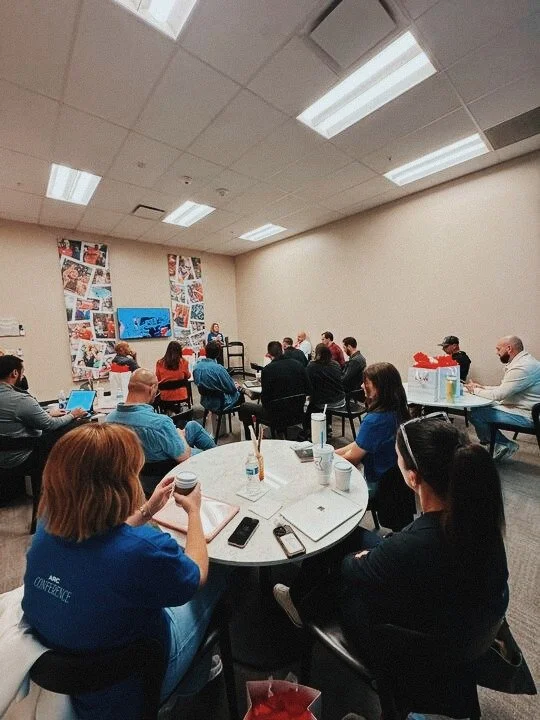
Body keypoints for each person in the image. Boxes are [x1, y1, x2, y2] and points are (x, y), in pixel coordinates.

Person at [274, 418, 509, 693]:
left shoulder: (412, 546)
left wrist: (365, 557)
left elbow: (351, 568)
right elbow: (409, 554)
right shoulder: (479, 523)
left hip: (402, 642)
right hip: (452, 626)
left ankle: (302, 605)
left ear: (413, 477)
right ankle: (303, 595)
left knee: (334, 553)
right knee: (352, 536)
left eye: (398, 457)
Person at [22, 423, 228, 719]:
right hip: (140, 678)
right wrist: (194, 511)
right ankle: (196, 676)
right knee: (219, 571)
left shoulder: (46, 527)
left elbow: (98, 543)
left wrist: (146, 511)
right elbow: (197, 573)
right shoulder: (143, 549)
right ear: (119, 484)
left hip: (72, 676)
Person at [105, 369, 215, 467]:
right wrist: (180, 435)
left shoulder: (108, 421)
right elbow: (184, 456)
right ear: (152, 389)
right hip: (168, 467)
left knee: (192, 426)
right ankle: (219, 458)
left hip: (139, 468)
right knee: (207, 455)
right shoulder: (160, 423)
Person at [0, 355, 87, 471]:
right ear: (15, 373)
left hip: (4, 454)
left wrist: (47, 414)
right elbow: (50, 424)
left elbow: (13, 417)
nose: (23, 377)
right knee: (78, 425)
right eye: (22, 373)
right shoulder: (20, 399)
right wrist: (73, 415)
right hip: (23, 455)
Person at [335, 363, 410, 497]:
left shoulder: (374, 421)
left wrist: (329, 460)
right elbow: (360, 444)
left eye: (366, 383)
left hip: (377, 483)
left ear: (379, 388)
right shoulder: (398, 411)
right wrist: (333, 453)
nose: (362, 386)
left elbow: (353, 458)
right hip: (396, 478)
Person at [466, 335, 540, 461]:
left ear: (509, 348)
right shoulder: (525, 362)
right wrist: (483, 388)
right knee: (480, 409)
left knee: (476, 414)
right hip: (525, 408)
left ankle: (502, 444)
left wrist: (474, 390)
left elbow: (498, 395)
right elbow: (504, 388)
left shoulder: (522, 367)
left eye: (498, 349)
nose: (497, 353)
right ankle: (493, 443)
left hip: (530, 416)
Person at [238, 341, 310, 438]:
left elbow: (265, 400)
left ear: (269, 355)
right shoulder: (299, 365)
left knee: (244, 407)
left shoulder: (267, 370)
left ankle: (251, 439)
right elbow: (308, 389)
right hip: (297, 413)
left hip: (275, 415)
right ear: (282, 351)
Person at [305, 343, 344, 438]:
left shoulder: (312, 366)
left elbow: (307, 384)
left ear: (317, 354)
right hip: (341, 400)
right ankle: (328, 426)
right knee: (326, 395)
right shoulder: (336, 364)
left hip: (325, 403)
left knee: (310, 406)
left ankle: (308, 430)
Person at [193, 341, 243, 412]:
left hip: (205, 401)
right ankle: (246, 419)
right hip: (219, 403)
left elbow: (197, 383)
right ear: (218, 354)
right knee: (240, 395)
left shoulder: (196, 367)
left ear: (206, 351)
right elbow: (231, 389)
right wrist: (235, 386)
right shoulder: (219, 369)